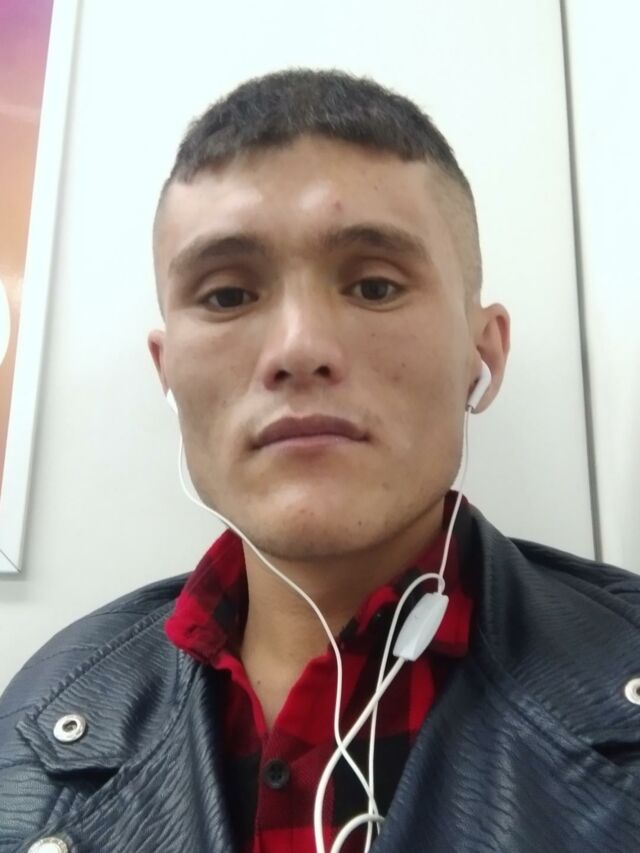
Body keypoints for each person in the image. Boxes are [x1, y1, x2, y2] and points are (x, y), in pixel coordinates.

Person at [1, 68, 639, 853]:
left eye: (374, 285)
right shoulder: (38, 716)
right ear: (167, 372)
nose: (299, 349)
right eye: (228, 296)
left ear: (484, 353)